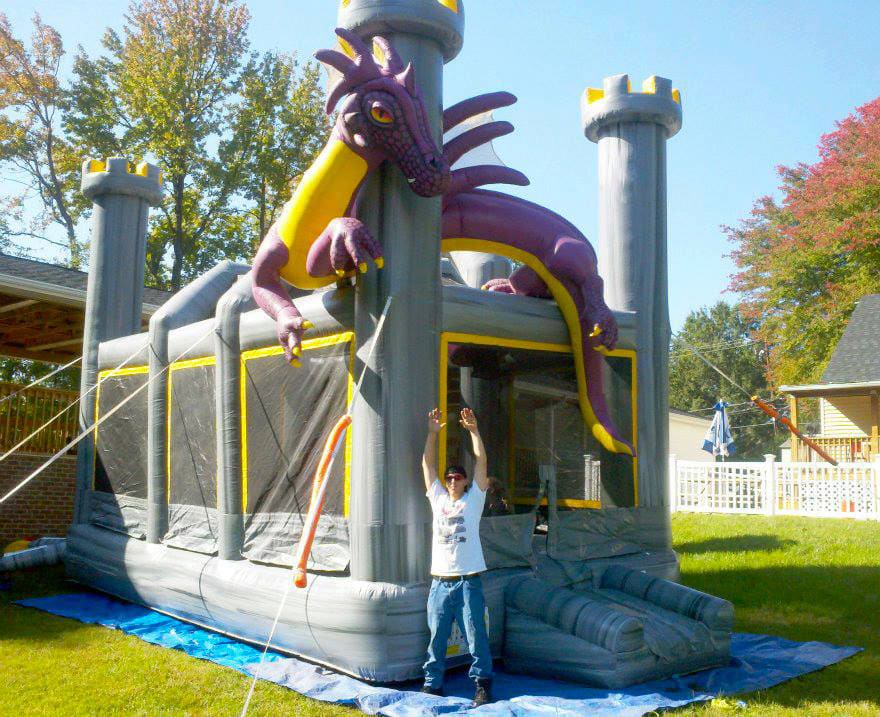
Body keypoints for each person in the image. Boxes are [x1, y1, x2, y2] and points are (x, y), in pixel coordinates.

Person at [420, 406, 493, 706]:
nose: (452, 481)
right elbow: (427, 464)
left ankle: (483, 686)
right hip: (439, 582)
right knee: (436, 637)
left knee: (475, 637)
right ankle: (432, 684)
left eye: (457, 477)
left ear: (465, 482)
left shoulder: (474, 500)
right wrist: (432, 434)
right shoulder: (437, 499)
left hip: (467, 582)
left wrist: (474, 431)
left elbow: (482, 462)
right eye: (449, 477)